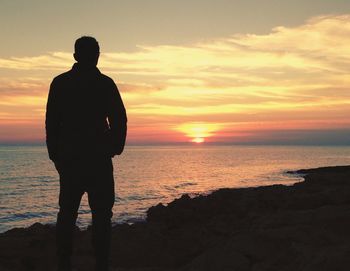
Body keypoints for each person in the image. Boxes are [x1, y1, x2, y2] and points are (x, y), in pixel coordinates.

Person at [45, 36, 127, 271]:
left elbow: (52, 123)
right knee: (95, 214)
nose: (96, 56)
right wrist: (113, 147)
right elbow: (119, 119)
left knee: (73, 213)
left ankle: (70, 262)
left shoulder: (62, 83)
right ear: (84, 56)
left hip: (76, 159)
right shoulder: (103, 83)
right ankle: (96, 263)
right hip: (91, 159)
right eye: (94, 52)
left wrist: (56, 155)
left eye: (96, 52)